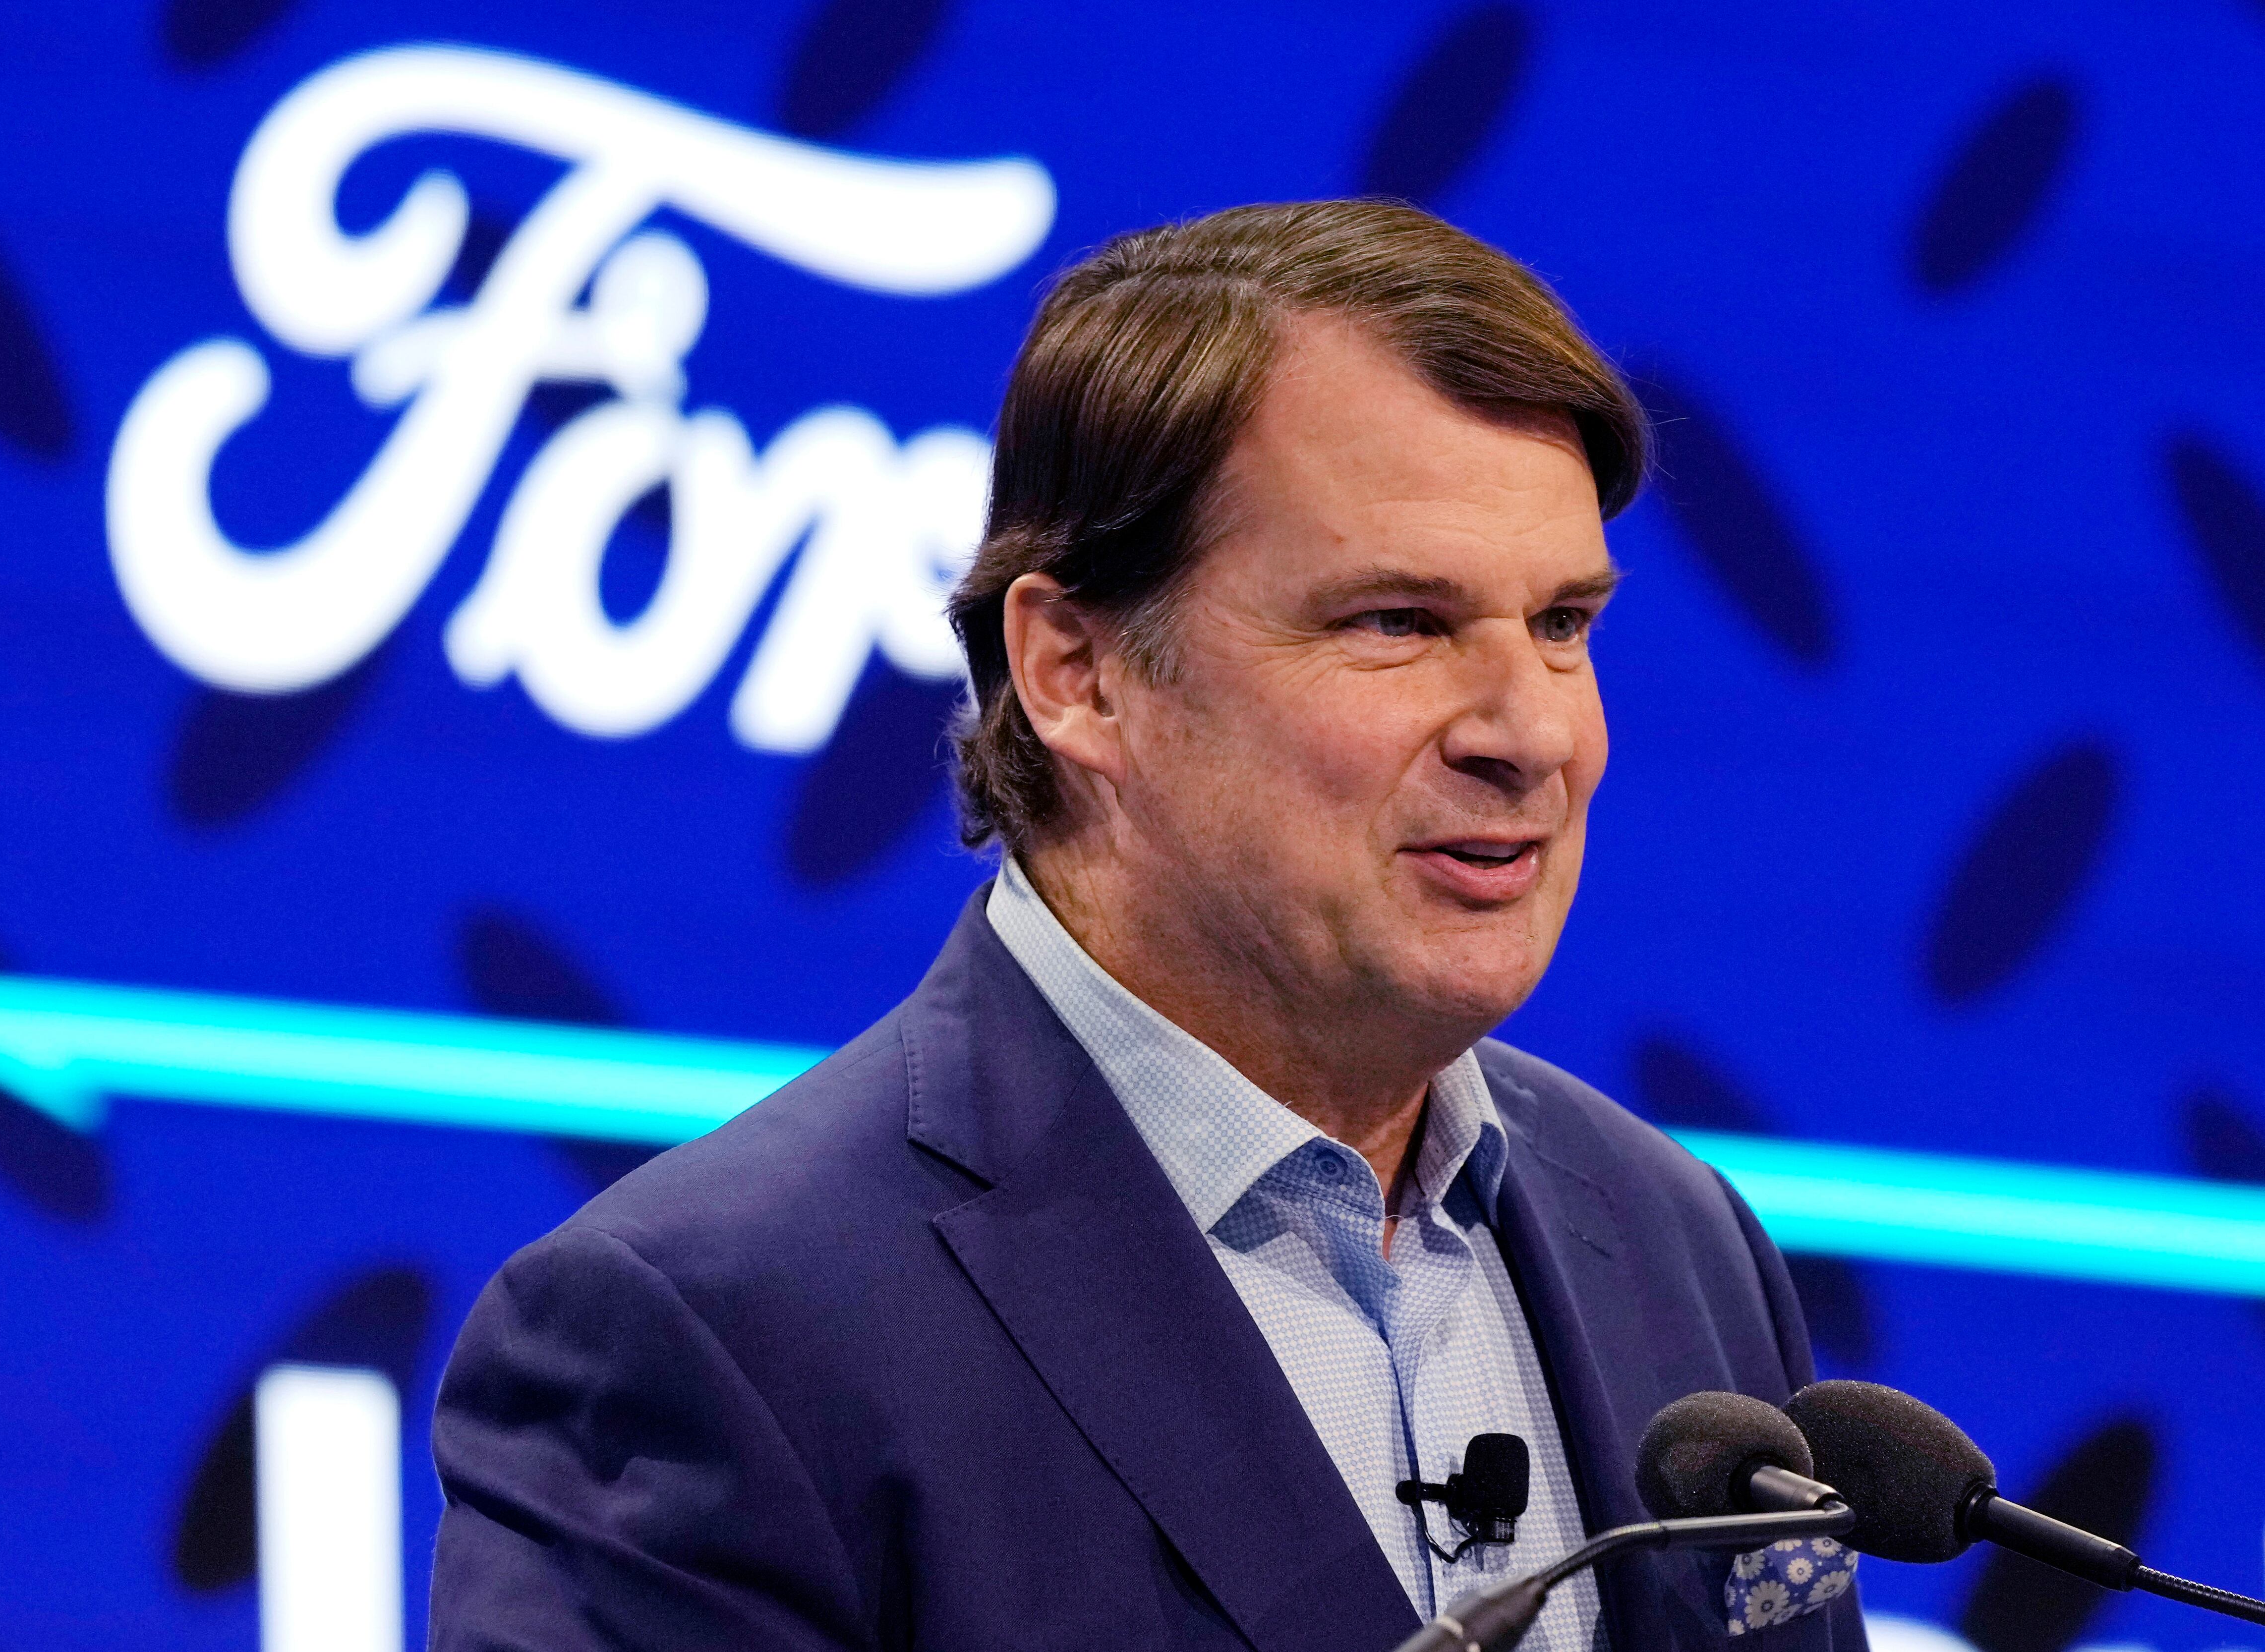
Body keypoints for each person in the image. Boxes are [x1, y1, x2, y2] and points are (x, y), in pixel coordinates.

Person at [429, 201, 1864, 1652]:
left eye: (1562, 624)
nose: (1532, 733)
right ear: (1077, 673)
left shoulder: (1679, 1246)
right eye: (1397, 622)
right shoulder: (715, 1334)